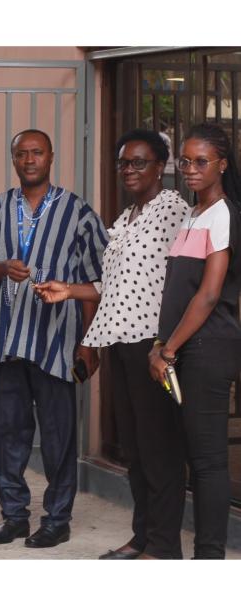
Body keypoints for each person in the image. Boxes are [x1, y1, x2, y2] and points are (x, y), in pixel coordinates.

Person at [35, 129, 191, 559]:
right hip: (120, 342)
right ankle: (142, 537)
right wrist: (68, 290)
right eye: (123, 162)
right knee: (136, 450)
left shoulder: (172, 209)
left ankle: (163, 546)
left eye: (139, 162)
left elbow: (185, 279)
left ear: (161, 167)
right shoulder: (125, 219)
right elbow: (112, 284)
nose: (129, 170)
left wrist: (171, 344)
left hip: (153, 345)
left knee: (159, 450)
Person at [0, 129, 108, 548]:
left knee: (59, 435)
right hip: (9, 341)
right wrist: (2, 267)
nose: (30, 160)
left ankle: (57, 519)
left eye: (37, 152)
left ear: (51, 157)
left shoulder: (78, 212)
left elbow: (94, 279)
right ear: (14, 160)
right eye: (22, 154)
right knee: (8, 434)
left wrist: (89, 342)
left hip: (57, 343)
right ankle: (14, 516)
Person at [148, 122, 241, 559]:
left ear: (222, 164)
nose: (190, 168)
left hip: (208, 349)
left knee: (208, 462)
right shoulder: (193, 214)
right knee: (192, 457)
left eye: (201, 161)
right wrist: (162, 343)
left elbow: (207, 295)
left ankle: (210, 559)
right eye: (185, 160)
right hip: (185, 349)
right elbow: (178, 291)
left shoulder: (223, 213)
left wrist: (167, 350)